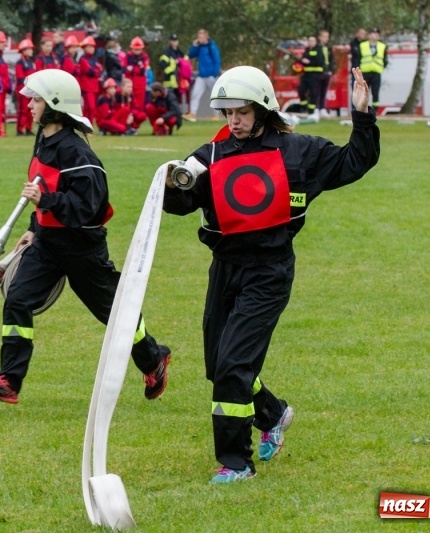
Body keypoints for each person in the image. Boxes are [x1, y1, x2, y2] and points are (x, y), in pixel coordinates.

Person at [161, 65, 380, 484]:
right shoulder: (209, 155)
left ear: (262, 109)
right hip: (225, 268)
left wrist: (362, 114)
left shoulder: (299, 151)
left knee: (232, 367)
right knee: (219, 364)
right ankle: (274, 413)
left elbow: (357, 160)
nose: (234, 121)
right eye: (227, 113)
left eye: (241, 112)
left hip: (270, 271)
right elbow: (180, 206)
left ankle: (236, 462)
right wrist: (175, 183)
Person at [0, 69, 172, 405]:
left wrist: (45, 201)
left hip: (82, 248)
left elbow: (90, 208)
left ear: (54, 105)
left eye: (36, 99)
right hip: (48, 244)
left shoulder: (78, 154)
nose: (29, 105)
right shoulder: (44, 140)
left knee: (116, 315)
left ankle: (153, 359)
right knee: (18, 299)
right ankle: (9, 379)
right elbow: (46, 188)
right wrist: (34, 229)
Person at [185, 29, 221, 122]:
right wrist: (194, 45)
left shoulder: (211, 46)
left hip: (210, 76)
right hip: (201, 76)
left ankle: (216, 114)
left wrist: (214, 73)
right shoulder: (200, 47)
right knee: (195, 94)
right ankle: (192, 114)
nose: (199, 38)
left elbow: (217, 60)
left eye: (201, 36)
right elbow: (191, 55)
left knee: (215, 95)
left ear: (206, 37)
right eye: (199, 36)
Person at [359, 28, 388, 108]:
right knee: (364, 93)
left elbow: (385, 59)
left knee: (375, 93)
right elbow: (358, 58)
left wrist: (382, 67)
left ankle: (375, 111)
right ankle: (363, 109)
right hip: (365, 72)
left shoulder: (383, 46)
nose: (374, 35)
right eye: (372, 33)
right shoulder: (362, 45)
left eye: (376, 34)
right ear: (369, 35)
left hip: (376, 72)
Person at [78, 36, 102, 128]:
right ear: (85, 48)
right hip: (87, 87)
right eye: (89, 46)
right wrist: (96, 71)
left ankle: (87, 127)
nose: (92, 49)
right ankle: (86, 126)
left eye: (93, 47)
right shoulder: (83, 59)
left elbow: (99, 69)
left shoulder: (94, 58)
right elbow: (89, 71)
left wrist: (95, 71)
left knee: (91, 108)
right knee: (90, 108)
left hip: (94, 87)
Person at [14, 38, 36, 136]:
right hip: (23, 90)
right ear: (24, 50)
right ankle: (19, 130)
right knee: (23, 110)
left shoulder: (31, 62)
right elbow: (20, 78)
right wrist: (26, 90)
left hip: (31, 90)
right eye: (29, 49)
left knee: (30, 110)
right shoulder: (20, 62)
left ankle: (28, 128)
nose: (31, 50)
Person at [298, 35, 324, 115]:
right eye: (310, 41)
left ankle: (311, 110)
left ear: (315, 42)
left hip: (315, 75)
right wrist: (301, 59)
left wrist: (309, 62)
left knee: (313, 93)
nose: (311, 42)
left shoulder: (319, 50)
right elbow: (303, 61)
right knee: (301, 90)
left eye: (313, 41)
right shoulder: (306, 50)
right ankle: (303, 107)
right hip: (306, 75)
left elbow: (319, 61)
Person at [124, 37, 149, 112]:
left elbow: (142, 70)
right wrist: (137, 67)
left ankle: (137, 120)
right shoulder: (127, 56)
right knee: (129, 102)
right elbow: (125, 69)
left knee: (140, 104)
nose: (137, 51)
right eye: (135, 49)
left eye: (138, 49)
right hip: (129, 83)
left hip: (140, 84)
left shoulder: (145, 57)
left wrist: (133, 68)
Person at [317, 30, 336, 115]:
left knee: (324, 91)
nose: (326, 38)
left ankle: (322, 108)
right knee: (317, 91)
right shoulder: (317, 47)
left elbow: (331, 60)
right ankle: (316, 108)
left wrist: (331, 70)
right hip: (318, 72)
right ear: (320, 37)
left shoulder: (329, 47)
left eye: (327, 37)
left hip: (327, 72)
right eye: (324, 36)